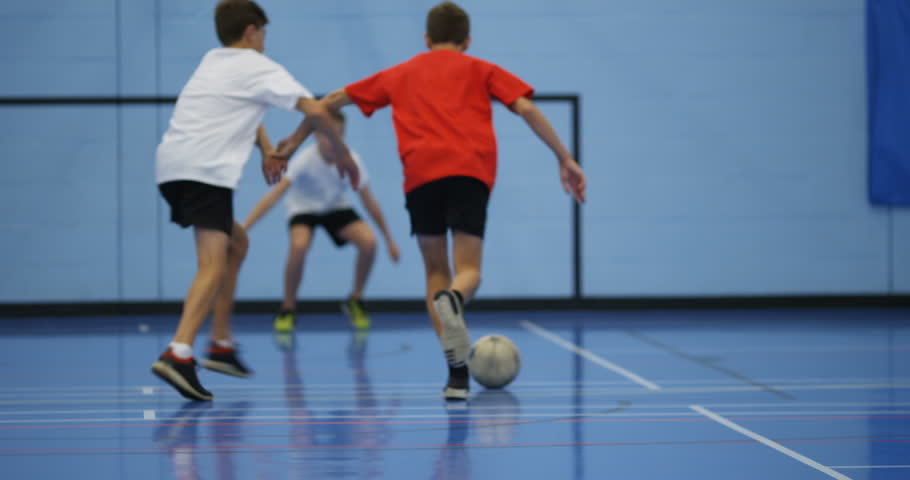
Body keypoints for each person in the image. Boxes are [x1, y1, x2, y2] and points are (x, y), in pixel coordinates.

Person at [273, 1, 586, 400]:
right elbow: (525, 107)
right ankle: (455, 301)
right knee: (468, 270)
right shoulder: (482, 69)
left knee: (435, 271)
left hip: (421, 179)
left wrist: (292, 142)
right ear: (467, 40)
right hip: (470, 175)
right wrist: (564, 157)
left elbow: (329, 101)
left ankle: (456, 377)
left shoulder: (401, 72)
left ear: (426, 39)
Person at [152, 0, 359, 402]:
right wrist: (344, 155)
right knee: (211, 264)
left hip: (175, 166)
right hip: (204, 171)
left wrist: (266, 149)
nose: (265, 40)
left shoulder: (213, 61)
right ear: (251, 31)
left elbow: (244, 113)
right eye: (263, 33)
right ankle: (179, 352)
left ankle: (221, 344)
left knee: (237, 242)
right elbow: (316, 109)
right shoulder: (257, 66)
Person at [242, 110, 401, 331]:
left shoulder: (351, 160)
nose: (331, 140)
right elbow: (274, 196)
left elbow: (369, 202)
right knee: (298, 246)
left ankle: (355, 300)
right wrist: (245, 227)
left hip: (335, 207)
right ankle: (287, 309)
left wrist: (389, 240)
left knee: (369, 242)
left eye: (337, 134)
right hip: (303, 208)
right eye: (326, 134)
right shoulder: (304, 160)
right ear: (316, 135)